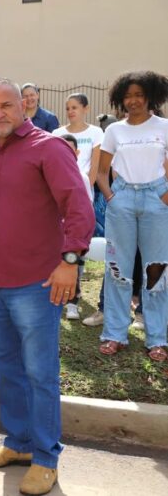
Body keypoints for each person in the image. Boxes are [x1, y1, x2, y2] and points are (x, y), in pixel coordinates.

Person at [0, 79, 94, 496]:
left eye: (6, 105)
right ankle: (19, 443)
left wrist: (70, 262)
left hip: (37, 283)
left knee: (40, 373)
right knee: (7, 367)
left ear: (23, 107)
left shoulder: (49, 147)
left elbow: (79, 207)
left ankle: (46, 458)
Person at [96, 70, 168, 363]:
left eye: (139, 94)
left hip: (157, 199)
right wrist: (111, 197)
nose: (133, 100)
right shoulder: (114, 131)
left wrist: (164, 197)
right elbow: (102, 172)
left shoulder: (164, 126)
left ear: (150, 96)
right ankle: (114, 333)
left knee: (157, 270)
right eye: (128, 96)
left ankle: (157, 338)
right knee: (117, 268)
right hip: (122, 200)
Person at [58, 134, 95, 323]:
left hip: (73, 232)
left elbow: (86, 207)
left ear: (77, 152)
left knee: (75, 266)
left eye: (70, 149)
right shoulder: (50, 174)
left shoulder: (81, 176)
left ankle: (73, 303)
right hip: (54, 231)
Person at [52, 93, 104, 191]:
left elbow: (95, 167)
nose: (70, 111)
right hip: (62, 186)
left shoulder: (96, 132)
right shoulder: (56, 133)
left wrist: (86, 187)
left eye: (74, 108)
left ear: (86, 109)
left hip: (85, 187)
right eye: (67, 109)